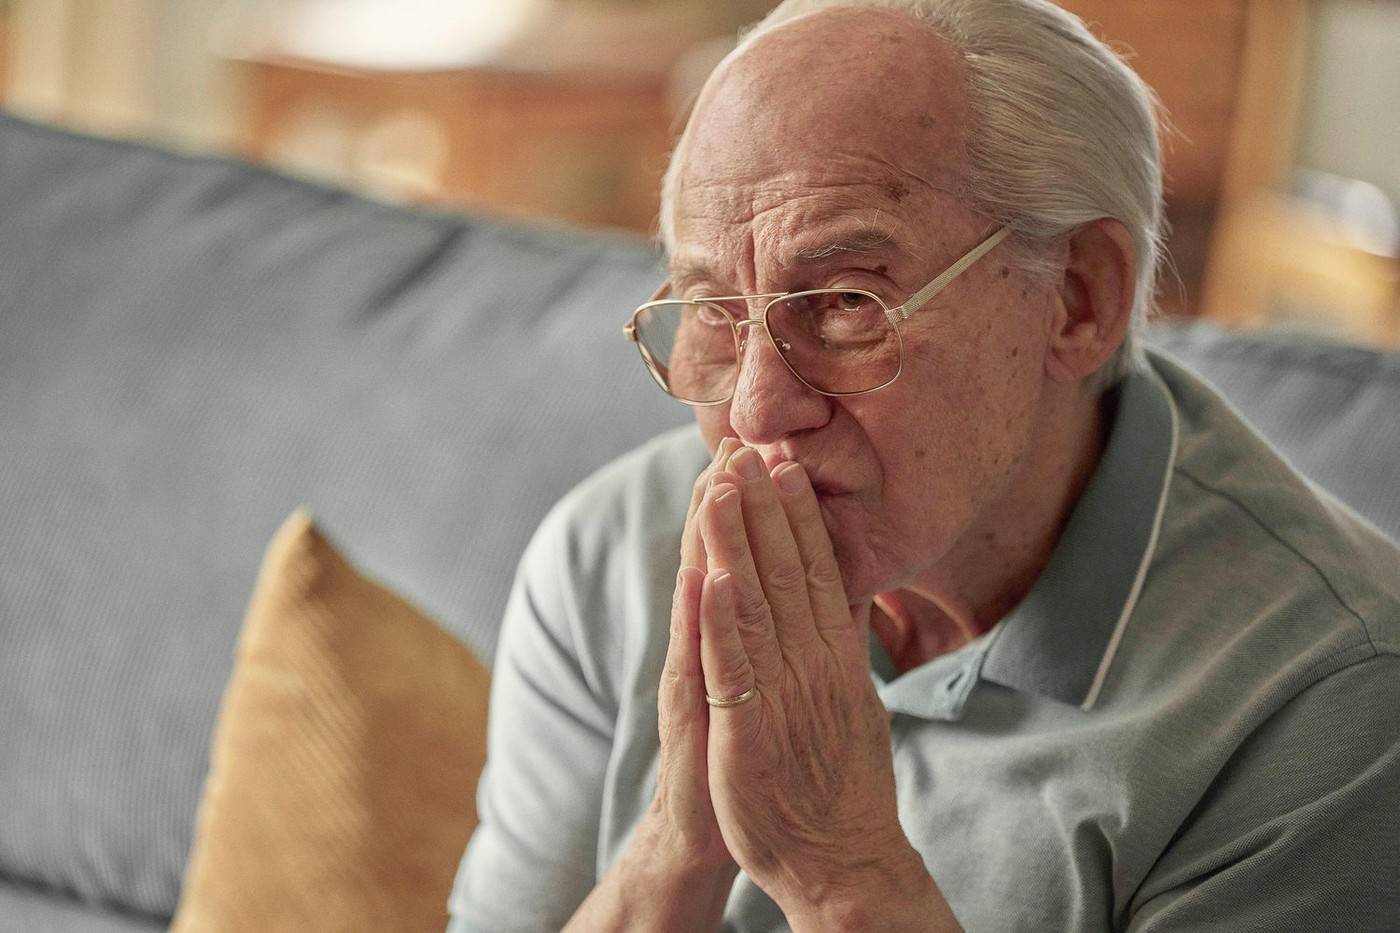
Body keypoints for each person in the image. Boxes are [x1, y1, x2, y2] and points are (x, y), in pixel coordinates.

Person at [448, 1, 1400, 930]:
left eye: (846, 303)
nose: (754, 411)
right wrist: (675, 847)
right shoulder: (607, 553)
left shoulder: (1337, 706)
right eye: (716, 312)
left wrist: (843, 874)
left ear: (1078, 298)